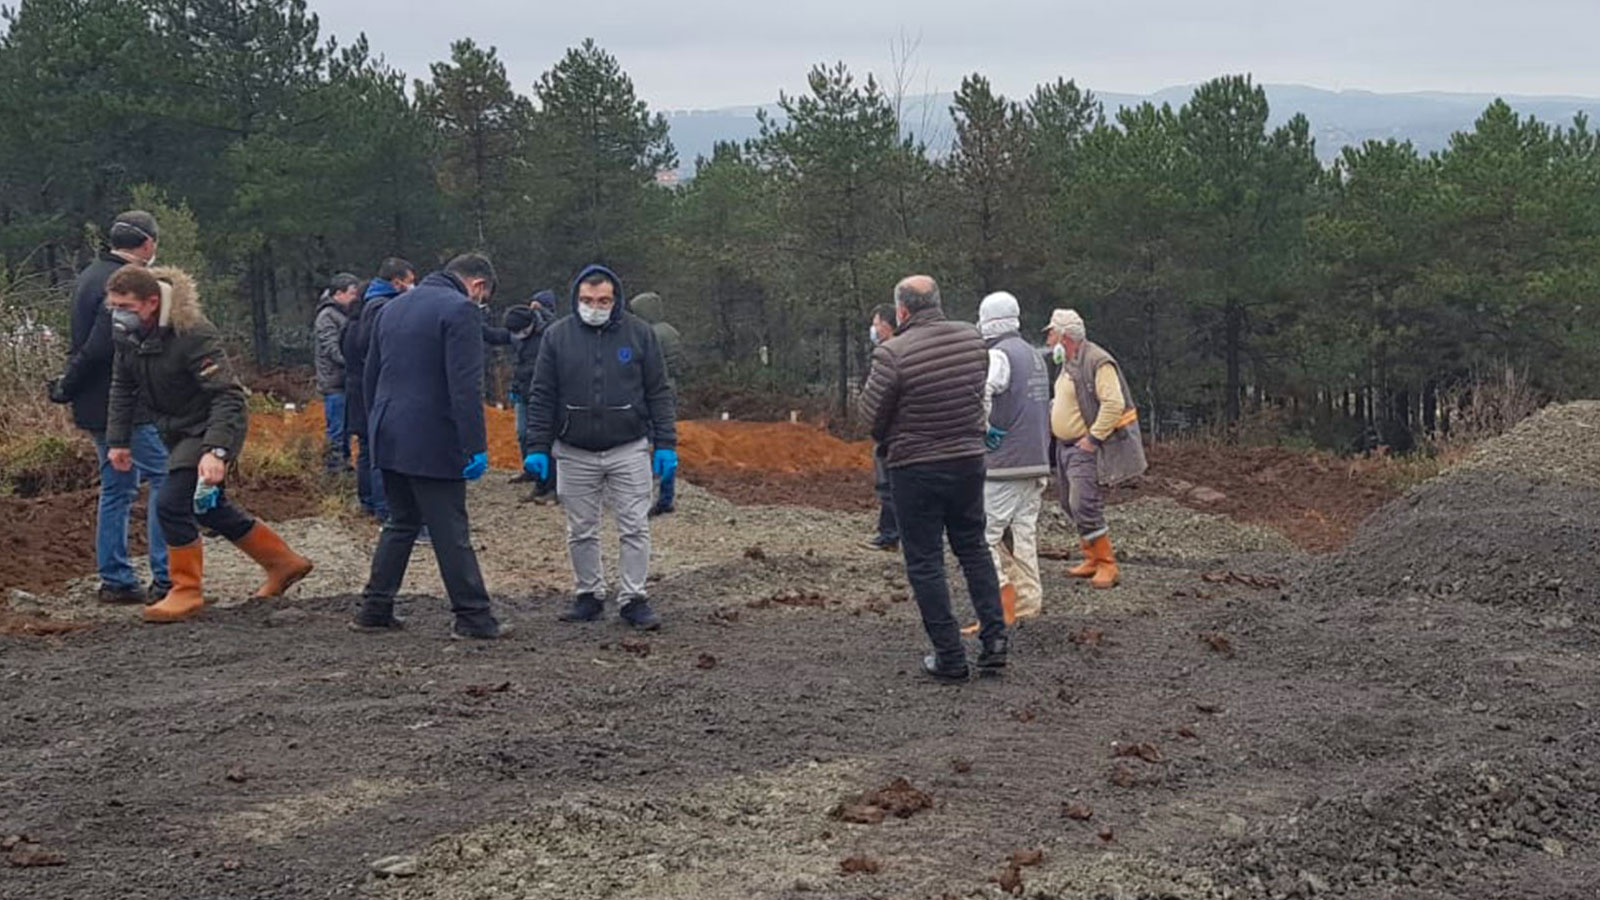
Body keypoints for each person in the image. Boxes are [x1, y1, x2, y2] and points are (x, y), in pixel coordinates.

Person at [103, 266, 314, 623]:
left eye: (126, 306)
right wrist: (118, 441)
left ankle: (185, 590)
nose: (119, 314)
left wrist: (216, 451)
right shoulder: (130, 337)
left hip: (209, 427)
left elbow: (227, 397)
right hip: (175, 430)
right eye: (113, 306)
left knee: (171, 503)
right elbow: (123, 387)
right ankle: (284, 563)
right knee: (208, 507)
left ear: (152, 302)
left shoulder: (193, 333)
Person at [351, 253, 509, 639]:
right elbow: (466, 385)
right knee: (450, 528)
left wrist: (376, 429)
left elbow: (371, 374)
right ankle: (473, 617)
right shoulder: (461, 311)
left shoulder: (392, 307)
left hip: (389, 433)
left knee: (400, 522)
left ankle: (375, 609)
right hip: (432, 437)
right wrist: (474, 444)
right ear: (478, 286)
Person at [859, 275, 1009, 682]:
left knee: (925, 561)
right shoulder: (971, 340)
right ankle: (995, 642)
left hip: (916, 467)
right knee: (973, 548)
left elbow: (871, 418)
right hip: (968, 460)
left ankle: (949, 656)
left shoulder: (892, 354)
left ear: (902, 310)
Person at [524, 266, 676, 631]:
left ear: (617, 299)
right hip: (574, 449)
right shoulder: (557, 336)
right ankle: (589, 593)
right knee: (581, 528)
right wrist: (537, 446)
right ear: (576, 299)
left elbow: (658, 390)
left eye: (604, 300)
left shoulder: (639, 335)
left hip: (628, 445)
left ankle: (633, 597)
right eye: (588, 301)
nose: (596, 307)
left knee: (634, 526)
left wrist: (666, 443)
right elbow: (542, 393)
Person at [50, 211, 170, 605]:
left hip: (94, 403)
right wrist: (69, 384)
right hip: (126, 405)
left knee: (117, 489)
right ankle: (167, 575)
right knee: (166, 479)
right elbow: (103, 347)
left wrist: (69, 387)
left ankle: (116, 577)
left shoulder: (88, 275)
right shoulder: (124, 283)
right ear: (148, 244)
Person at [1045, 309, 1148, 589]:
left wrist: (1093, 439)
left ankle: (1107, 565)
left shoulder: (1097, 361)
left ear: (1065, 336)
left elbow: (1113, 404)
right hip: (1065, 446)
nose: (1047, 339)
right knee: (1069, 503)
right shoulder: (1068, 362)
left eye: (1051, 333)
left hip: (1084, 448)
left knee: (1084, 503)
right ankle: (1091, 557)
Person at [975, 291, 1050, 625]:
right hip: (1036, 461)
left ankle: (998, 609)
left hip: (1005, 464)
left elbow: (982, 392)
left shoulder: (998, 355)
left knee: (984, 537)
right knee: (1023, 535)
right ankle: (1027, 604)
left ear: (987, 321)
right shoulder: (1033, 355)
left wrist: (984, 428)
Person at [343, 258, 417, 522]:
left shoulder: (354, 318)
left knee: (366, 449)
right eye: (409, 281)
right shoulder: (382, 310)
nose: (412, 287)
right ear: (396, 282)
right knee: (380, 451)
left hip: (357, 390)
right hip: (372, 391)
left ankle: (369, 502)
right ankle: (386, 509)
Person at [630, 291, 682, 517]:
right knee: (665, 443)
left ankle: (653, 496)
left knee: (649, 444)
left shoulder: (649, 334)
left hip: (652, 391)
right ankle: (666, 495)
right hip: (670, 388)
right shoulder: (671, 331)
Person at [506, 290, 558, 503]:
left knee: (548, 442)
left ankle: (553, 487)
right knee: (525, 434)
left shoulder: (549, 335)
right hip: (524, 393)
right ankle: (538, 480)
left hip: (544, 396)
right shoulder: (520, 336)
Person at [313, 273, 361, 472]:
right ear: (339, 293)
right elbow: (332, 349)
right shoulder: (327, 316)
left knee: (347, 426)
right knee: (337, 428)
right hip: (334, 382)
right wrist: (353, 362)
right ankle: (334, 465)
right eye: (352, 293)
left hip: (345, 380)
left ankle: (344, 462)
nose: (355, 298)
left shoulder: (344, 314)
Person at [862, 304, 899, 551]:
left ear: (887, 325)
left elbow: (878, 400)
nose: (874, 329)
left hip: (893, 432)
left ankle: (890, 535)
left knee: (889, 485)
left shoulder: (889, 354)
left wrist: (877, 428)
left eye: (876, 323)